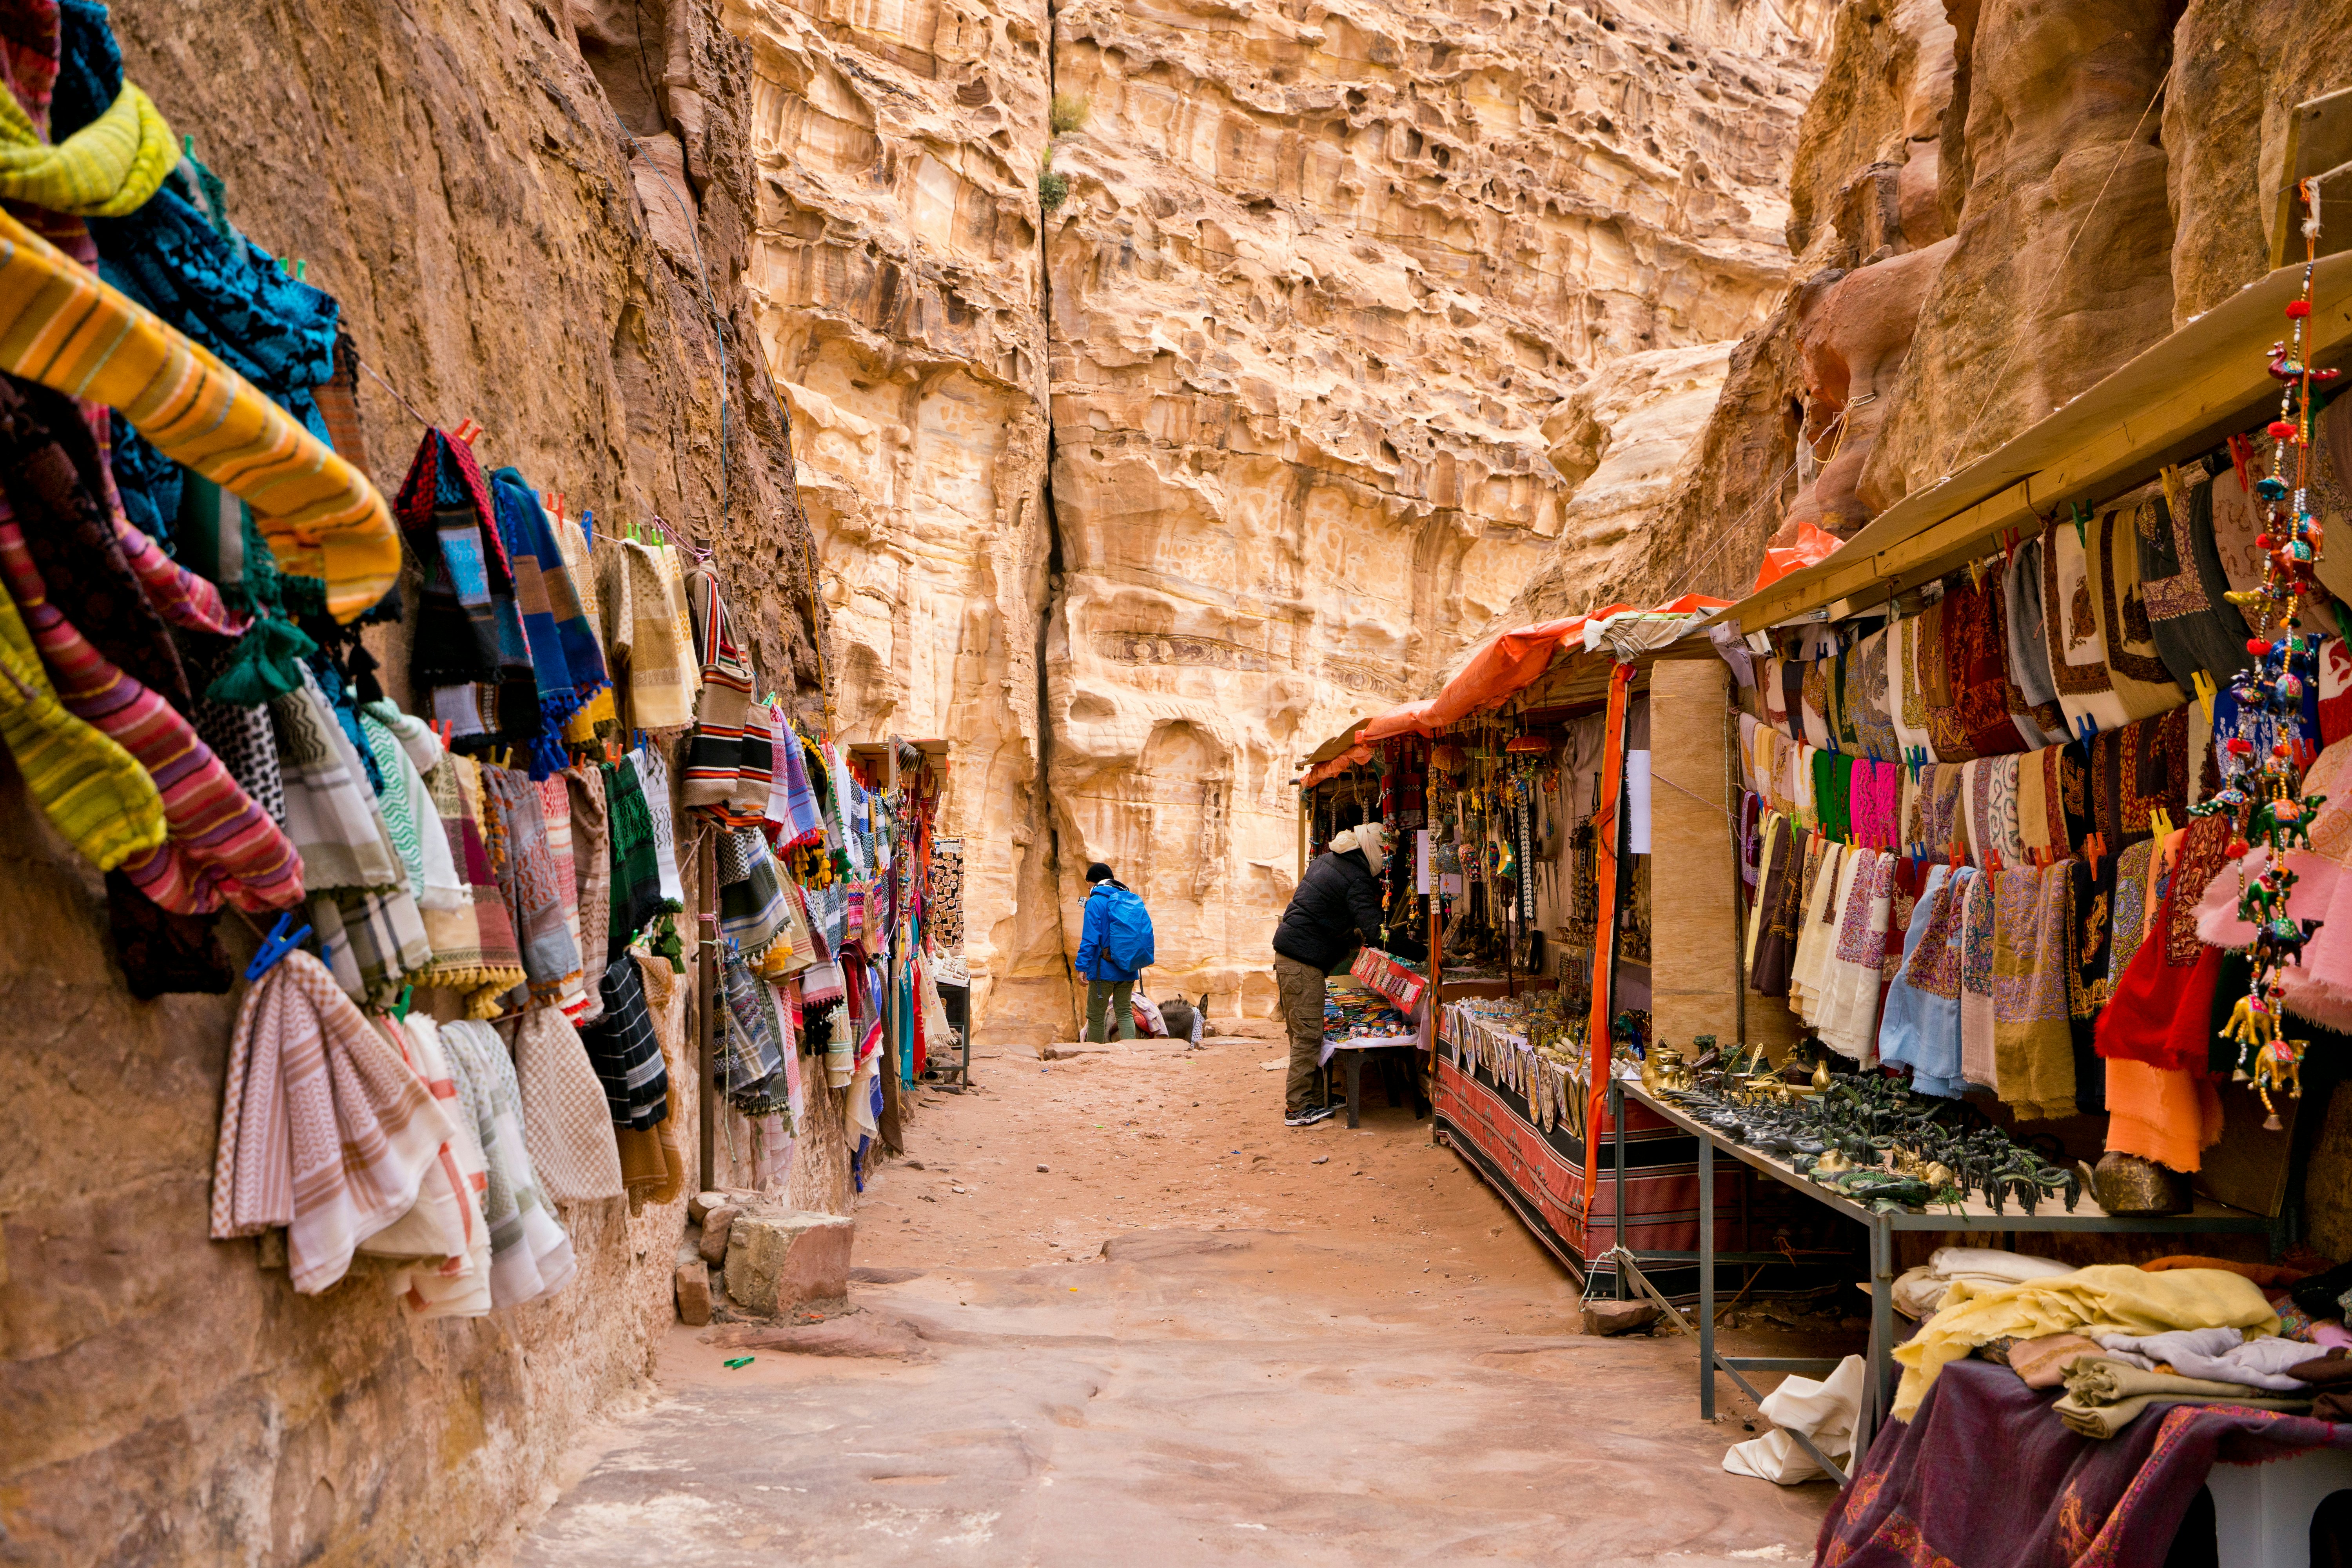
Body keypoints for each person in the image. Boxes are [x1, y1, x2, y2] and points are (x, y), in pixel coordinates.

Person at [1271, 823, 1388, 1127]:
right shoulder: (1356, 876)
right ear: (1371, 848)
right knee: (1308, 1035)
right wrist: (1412, 949)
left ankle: (1312, 1097)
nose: (1386, 859)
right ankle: (1297, 1108)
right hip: (1302, 960)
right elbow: (1375, 929)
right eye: (1384, 852)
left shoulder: (1328, 860)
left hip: (1291, 955)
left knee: (1301, 1033)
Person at [1074, 862, 1154, 1043]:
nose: (1088, 888)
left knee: (1096, 1016)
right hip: (1128, 967)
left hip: (1103, 971)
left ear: (1094, 882)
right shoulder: (1127, 899)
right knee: (1125, 1011)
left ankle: (1094, 1056)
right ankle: (1131, 1052)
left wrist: (1082, 966)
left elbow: (1090, 939)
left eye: (1088, 884)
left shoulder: (1095, 902)